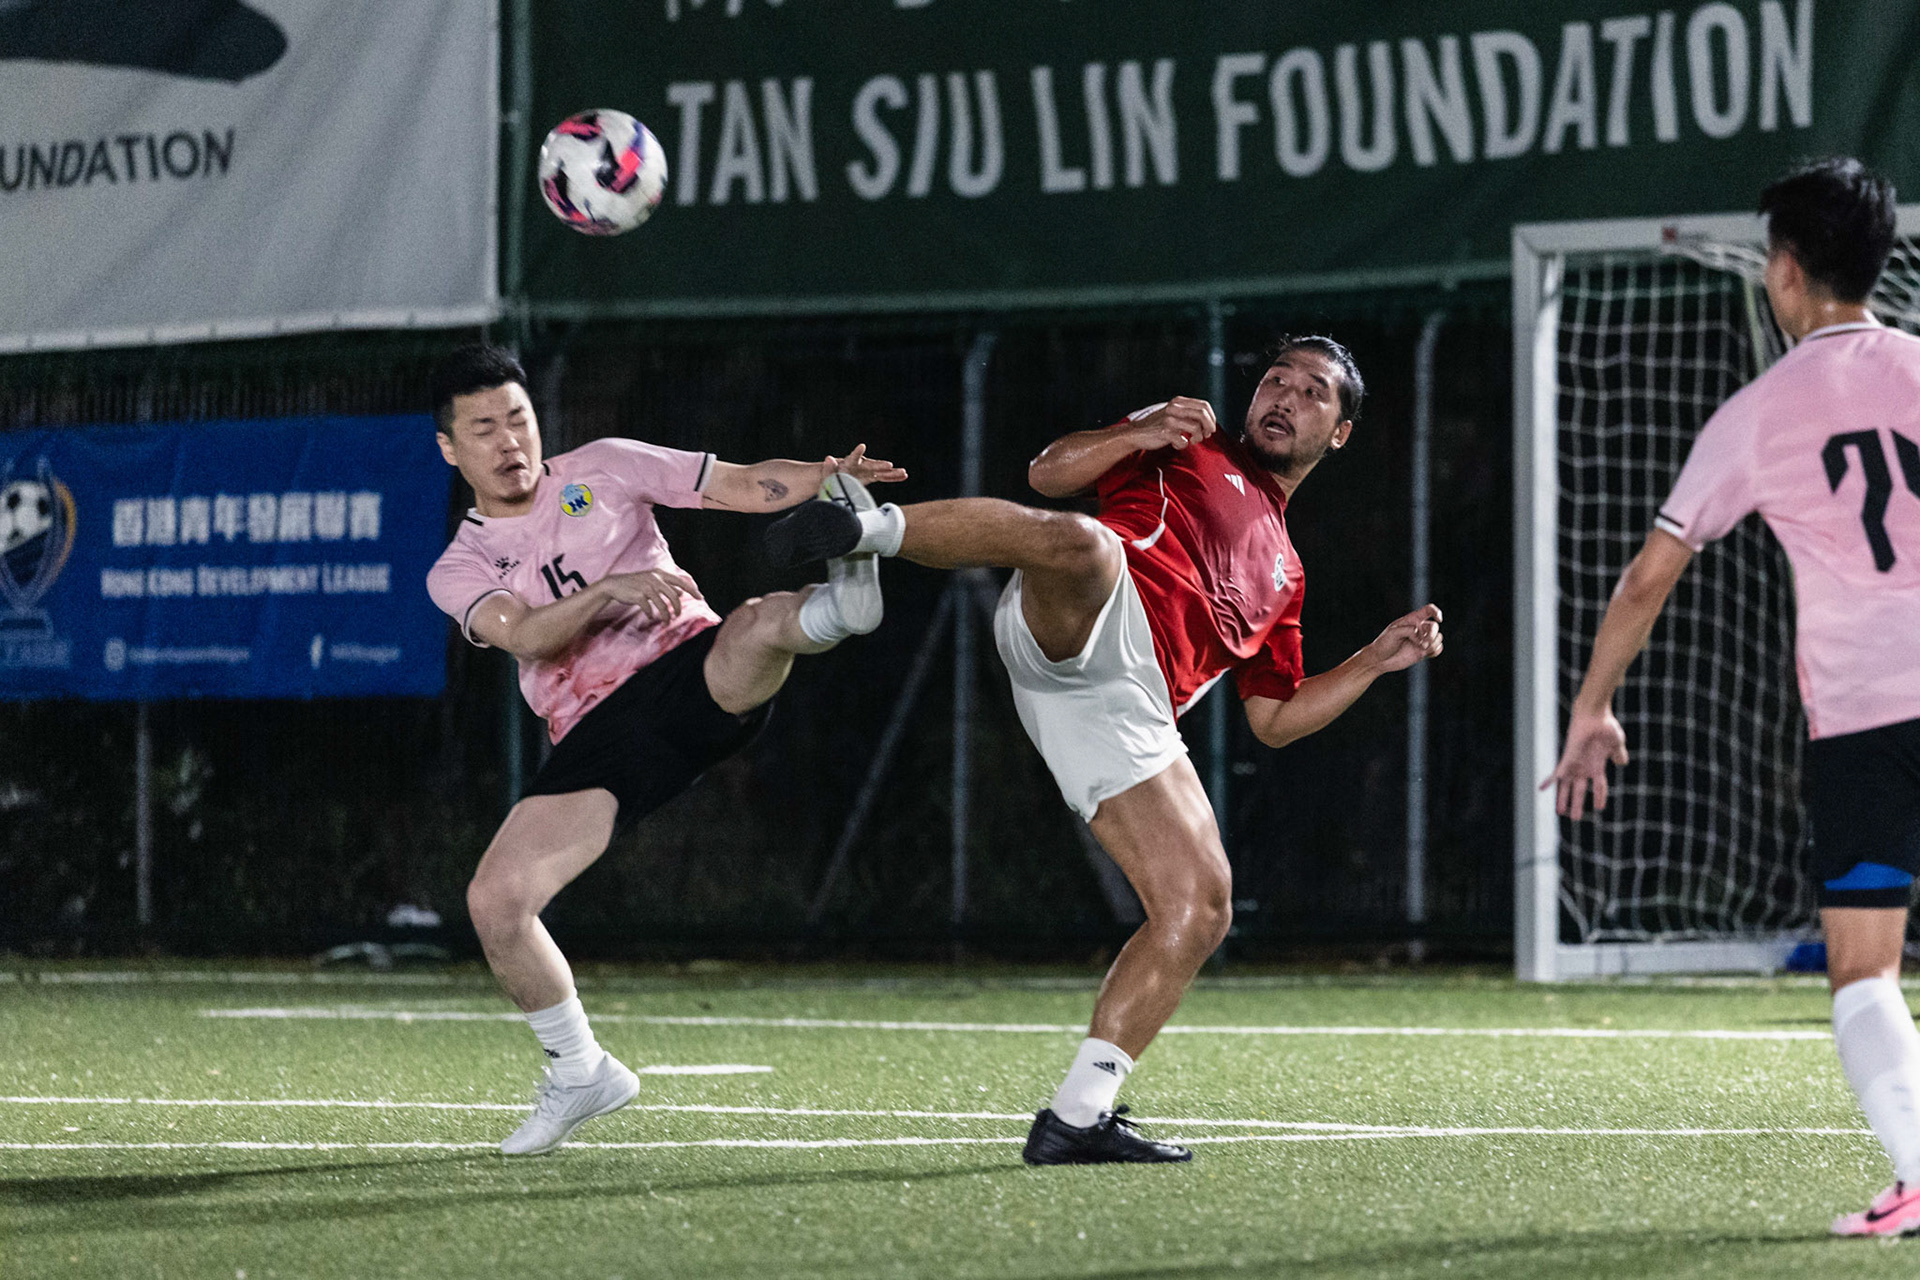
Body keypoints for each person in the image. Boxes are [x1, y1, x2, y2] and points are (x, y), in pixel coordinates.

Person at [768, 335, 1444, 1164]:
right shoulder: (1187, 440)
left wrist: (1372, 661)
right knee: (1087, 544)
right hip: (1090, 612)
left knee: (1201, 906)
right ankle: (862, 530)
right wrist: (1139, 431)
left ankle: (1077, 1118)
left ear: (1338, 433)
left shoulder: (1288, 576)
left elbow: (1273, 717)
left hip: (1128, 708)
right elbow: (1047, 474)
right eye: (1277, 379)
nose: (1285, 397)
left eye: (1313, 392)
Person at [1547, 157, 1920, 1237]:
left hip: (1865, 725)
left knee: (1864, 970)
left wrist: (1592, 706)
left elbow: (1647, 576)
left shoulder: (1759, 412)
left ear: (1788, 271)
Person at [424, 343, 904, 1155]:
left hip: (688, 671)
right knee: (495, 902)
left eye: (519, 419)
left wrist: (826, 478)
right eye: (484, 429)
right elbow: (528, 636)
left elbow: (741, 483)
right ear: (450, 448)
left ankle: (841, 606)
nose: (510, 442)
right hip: (601, 735)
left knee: (755, 623)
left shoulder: (606, 467)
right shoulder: (460, 565)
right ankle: (581, 1071)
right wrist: (608, 591)